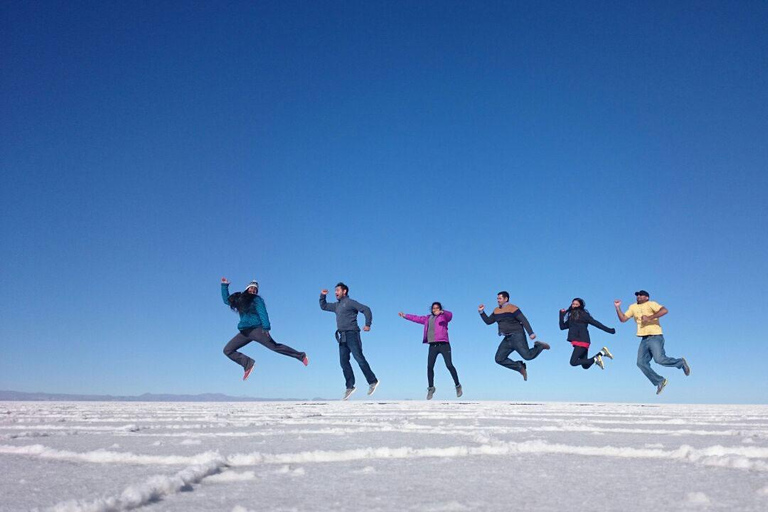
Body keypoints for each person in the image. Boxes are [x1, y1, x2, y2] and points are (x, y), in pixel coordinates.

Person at [221, 278, 308, 380]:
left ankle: (301, 356)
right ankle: (247, 363)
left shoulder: (257, 300)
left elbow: (263, 313)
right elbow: (227, 300)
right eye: (251, 288)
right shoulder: (240, 299)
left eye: (255, 290)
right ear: (247, 289)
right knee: (228, 350)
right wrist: (224, 286)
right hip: (244, 332)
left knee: (274, 347)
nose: (253, 290)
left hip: (257, 330)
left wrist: (266, 328)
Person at [614, 290, 691, 394]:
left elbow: (665, 310)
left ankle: (681, 363)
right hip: (644, 339)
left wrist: (649, 318)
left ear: (647, 297)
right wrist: (618, 308)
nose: (638, 296)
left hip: (655, 336)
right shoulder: (633, 307)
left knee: (659, 359)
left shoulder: (651, 304)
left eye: (641, 295)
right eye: (637, 295)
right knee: (640, 363)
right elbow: (623, 319)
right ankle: (659, 381)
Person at [320, 282, 379, 400]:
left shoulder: (350, 302)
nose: (336, 292)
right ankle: (350, 386)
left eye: (338, 290)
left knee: (359, 358)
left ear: (344, 291)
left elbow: (366, 309)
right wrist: (322, 296)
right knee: (343, 362)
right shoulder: (337, 306)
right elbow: (324, 306)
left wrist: (368, 324)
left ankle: (372, 381)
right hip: (342, 336)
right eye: (335, 290)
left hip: (352, 334)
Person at [479, 291, 549, 381]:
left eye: (499, 298)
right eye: (497, 299)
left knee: (527, 356)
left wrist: (530, 333)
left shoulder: (513, 308)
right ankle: (519, 367)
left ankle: (540, 346)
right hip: (507, 339)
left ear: (506, 299)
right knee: (499, 359)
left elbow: (524, 320)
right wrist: (481, 312)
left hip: (517, 336)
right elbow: (488, 321)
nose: (498, 300)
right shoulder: (496, 310)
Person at [399, 302, 462, 400]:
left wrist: (442, 312)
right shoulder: (428, 318)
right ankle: (431, 388)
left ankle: (458, 386)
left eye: (437, 308)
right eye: (433, 308)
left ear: (440, 309)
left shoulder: (444, 317)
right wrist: (405, 316)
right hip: (433, 345)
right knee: (429, 367)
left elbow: (450, 316)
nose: (435, 309)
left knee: (449, 365)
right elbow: (417, 318)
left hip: (444, 344)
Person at [559, 298, 615, 370]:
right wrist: (561, 314)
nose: (575, 305)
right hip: (578, 342)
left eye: (577, 304)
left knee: (573, 362)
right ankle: (602, 353)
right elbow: (562, 327)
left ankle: (597, 358)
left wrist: (610, 330)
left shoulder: (583, 314)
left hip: (582, 341)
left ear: (580, 305)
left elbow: (596, 323)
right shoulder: (571, 317)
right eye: (573, 304)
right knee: (585, 366)